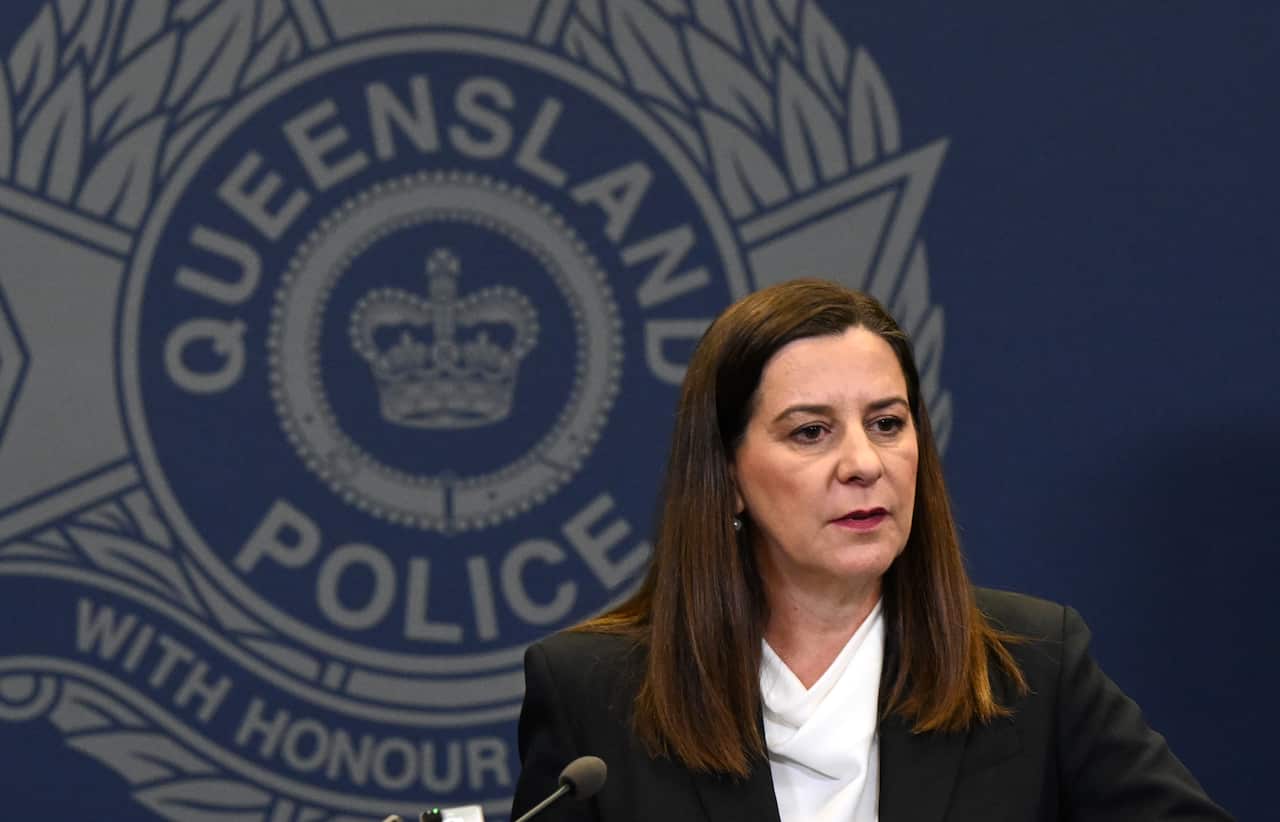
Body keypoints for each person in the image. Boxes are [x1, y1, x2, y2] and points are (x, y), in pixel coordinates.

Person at [511, 279, 1232, 821]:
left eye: (887, 423)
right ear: (727, 477)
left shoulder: (1034, 665)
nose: (863, 462)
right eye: (810, 432)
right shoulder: (591, 693)